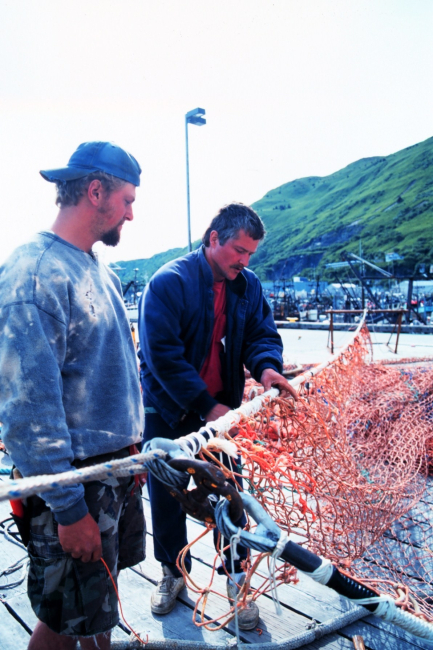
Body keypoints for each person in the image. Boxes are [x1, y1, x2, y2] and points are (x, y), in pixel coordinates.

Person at [0, 142, 145, 650]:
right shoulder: (35, 273)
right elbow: (26, 411)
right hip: (74, 486)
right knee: (63, 621)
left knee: (99, 603)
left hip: (113, 473)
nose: (132, 211)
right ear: (96, 191)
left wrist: (133, 453)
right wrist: (67, 510)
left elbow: (113, 373)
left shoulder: (97, 270)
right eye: (126, 199)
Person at [138, 202, 297, 629]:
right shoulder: (168, 283)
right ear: (213, 239)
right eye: (239, 251)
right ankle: (173, 573)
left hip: (219, 411)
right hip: (168, 408)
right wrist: (208, 407)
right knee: (166, 498)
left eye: (251, 255)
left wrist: (267, 370)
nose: (244, 262)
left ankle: (236, 578)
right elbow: (162, 357)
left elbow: (262, 334)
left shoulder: (248, 285)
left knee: (231, 493)